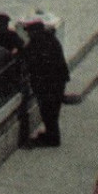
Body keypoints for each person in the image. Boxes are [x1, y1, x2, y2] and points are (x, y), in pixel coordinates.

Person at [21, 19, 70, 147]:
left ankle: (52, 139)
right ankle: (50, 135)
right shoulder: (47, 40)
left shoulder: (44, 43)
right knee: (48, 112)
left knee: (49, 112)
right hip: (54, 82)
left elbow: (37, 62)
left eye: (30, 32)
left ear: (37, 31)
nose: (28, 35)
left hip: (51, 84)